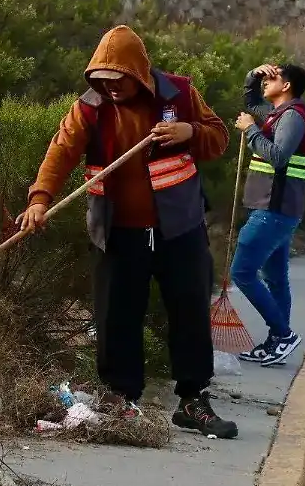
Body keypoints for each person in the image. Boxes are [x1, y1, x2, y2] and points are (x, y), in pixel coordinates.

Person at [17, 25, 239, 439]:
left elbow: (219, 138)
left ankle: (192, 400)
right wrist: (39, 200)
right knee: (117, 315)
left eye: (118, 81)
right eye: (102, 81)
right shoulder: (90, 107)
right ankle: (122, 400)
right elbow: (61, 150)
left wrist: (188, 132)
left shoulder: (179, 94)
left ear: (139, 73)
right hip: (117, 231)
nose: (111, 88)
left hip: (180, 228)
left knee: (189, 312)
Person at [230, 62, 305, 367]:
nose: (266, 82)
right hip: (277, 208)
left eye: (272, 78)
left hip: (274, 209)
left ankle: (283, 334)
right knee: (276, 278)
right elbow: (252, 103)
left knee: (241, 272)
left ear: (287, 85)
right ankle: (277, 343)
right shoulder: (278, 112)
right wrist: (252, 75)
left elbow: (278, 158)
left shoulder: (292, 117)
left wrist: (250, 129)